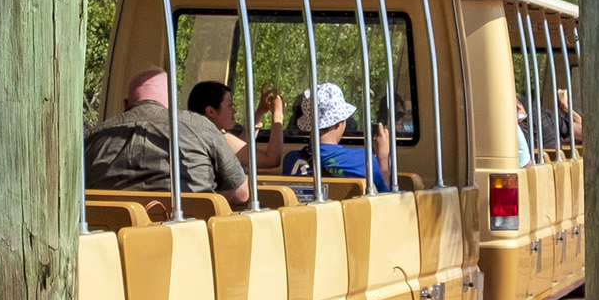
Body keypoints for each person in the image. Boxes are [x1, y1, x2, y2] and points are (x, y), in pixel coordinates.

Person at [85, 69, 248, 219]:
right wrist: (208, 197)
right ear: (170, 103)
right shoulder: (200, 126)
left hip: (112, 240)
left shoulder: (92, 137)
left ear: (126, 104)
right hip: (188, 237)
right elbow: (241, 194)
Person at [280, 82, 385, 192]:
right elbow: (386, 200)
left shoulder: (290, 160)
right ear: (339, 123)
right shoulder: (365, 160)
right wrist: (383, 158)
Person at [186, 80, 251, 161]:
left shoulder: (191, 138)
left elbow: (240, 147)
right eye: (230, 105)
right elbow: (269, 159)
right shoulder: (220, 140)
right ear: (211, 112)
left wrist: (260, 112)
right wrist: (272, 111)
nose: (234, 111)